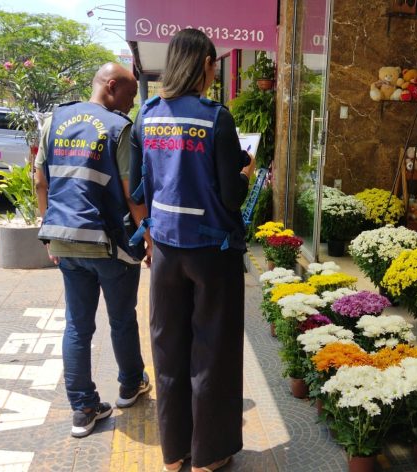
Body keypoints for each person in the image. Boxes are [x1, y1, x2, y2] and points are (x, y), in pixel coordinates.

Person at [129, 29, 254, 472]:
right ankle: (207, 455)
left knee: (167, 347)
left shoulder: (146, 116)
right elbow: (230, 195)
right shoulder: (216, 118)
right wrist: (246, 172)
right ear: (204, 64)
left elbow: (137, 188)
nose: (215, 69)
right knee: (212, 351)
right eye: (214, 62)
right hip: (212, 252)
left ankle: (174, 453)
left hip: (164, 250)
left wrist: (148, 236)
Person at [35, 62, 152, 438]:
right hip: (111, 244)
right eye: (130, 97)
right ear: (112, 86)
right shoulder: (118, 128)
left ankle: (83, 408)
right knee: (121, 319)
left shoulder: (54, 121)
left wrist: (48, 230)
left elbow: (40, 181)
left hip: (65, 240)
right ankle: (130, 385)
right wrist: (147, 236)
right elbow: (132, 194)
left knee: (77, 326)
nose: (131, 106)